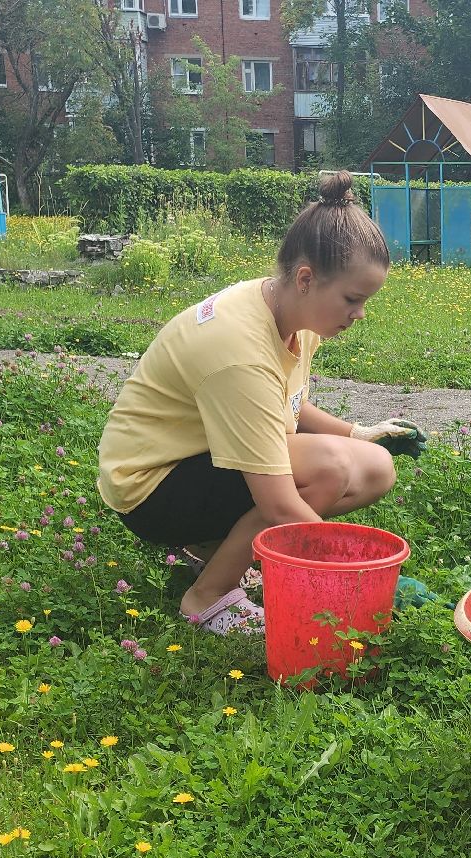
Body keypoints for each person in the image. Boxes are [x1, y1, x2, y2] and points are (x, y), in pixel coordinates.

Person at [97, 172, 419, 634]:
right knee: (328, 468)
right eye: (352, 298)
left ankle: (214, 550)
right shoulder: (240, 350)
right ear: (306, 278)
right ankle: (207, 597)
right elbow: (281, 503)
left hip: (199, 459)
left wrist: (358, 433)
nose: (359, 314)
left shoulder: (291, 312)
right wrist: (362, 577)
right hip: (150, 488)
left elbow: (282, 406)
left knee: (374, 466)